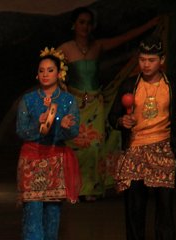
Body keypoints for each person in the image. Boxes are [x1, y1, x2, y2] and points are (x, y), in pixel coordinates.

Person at [108, 36, 176, 240]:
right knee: (134, 206)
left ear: (161, 60)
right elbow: (112, 118)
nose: (145, 64)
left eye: (151, 60)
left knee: (165, 207)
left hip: (163, 147)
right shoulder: (129, 85)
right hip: (135, 148)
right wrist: (121, 121)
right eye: (142, 59)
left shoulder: (172, 85)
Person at [59, 8, 159, 200]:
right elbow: (50, 70)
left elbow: (125, 37)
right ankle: (76, 188)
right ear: (74, 25)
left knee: (96, 145)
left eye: (88, 22)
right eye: (81, 22)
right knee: (78, 146)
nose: (85, 26)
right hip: (75, 104)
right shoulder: (64, 48)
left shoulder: (98, 46)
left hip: (96, 103)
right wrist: (62, 87)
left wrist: (151, 25)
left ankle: (92, 189)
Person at [15, 48, 80, 240]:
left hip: (55, 158)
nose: (45, 74)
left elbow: (73, 132)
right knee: (33, 208)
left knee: (52, 210)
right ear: (37, 74)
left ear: (58, 73)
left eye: (50, 70)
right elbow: (22, 131)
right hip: (33, 157)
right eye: (41, 70)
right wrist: (38, 124)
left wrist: (64, 127)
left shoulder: (69, 100)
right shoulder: (29, 99)